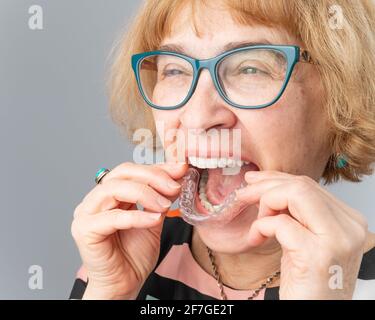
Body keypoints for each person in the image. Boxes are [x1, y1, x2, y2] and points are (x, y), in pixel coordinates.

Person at [70, 0, 375, 300]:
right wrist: (112, 293)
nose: (197, 117)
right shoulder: (128, 257)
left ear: (343, 100)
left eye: (250, 69)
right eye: (175, 70)